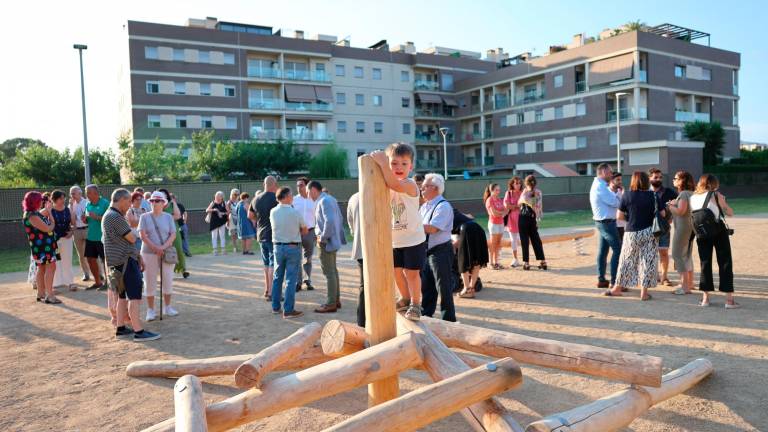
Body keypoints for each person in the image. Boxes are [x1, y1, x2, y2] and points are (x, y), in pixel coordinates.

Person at [371, 143, 425, 321]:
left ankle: (416, 304)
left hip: (413, 239)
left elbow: (393, 183)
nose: (398, 167)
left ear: (411, 166)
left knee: (411, 273)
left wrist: (383, 164)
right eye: (394, 163)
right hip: (395, 240)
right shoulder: (386, 185)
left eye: (404, 163)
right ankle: (405, 298)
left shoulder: (409, 184)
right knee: (395, 272)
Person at [102, 188, 160, 341]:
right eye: (128, 201)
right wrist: (134, 232)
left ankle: (121, 328)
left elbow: (127, 240)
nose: (130, 205)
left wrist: (138, 255)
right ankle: (138, 331)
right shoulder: (115, 216)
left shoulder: (110, 215)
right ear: (121, 200)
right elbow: (132, 238)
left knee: (122, 297)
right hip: (125, 262)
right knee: (134, 297)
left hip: (119, 262)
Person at [605, 171, 663, 300]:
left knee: (626, 260)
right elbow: (663, 214)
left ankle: (616, 289)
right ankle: (644, 293)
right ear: (646, 181)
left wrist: (631, 218)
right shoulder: (653, 195)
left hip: (631, 232)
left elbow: (619, 216)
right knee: (648, 262)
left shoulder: (627, 195)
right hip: (650, 232)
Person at [689, 174, 738, 308]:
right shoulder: (715, 195)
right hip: (718, 231)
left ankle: (705, 299)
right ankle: (729, 300)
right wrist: (723, 202)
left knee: (705, 263)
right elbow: (729, 213)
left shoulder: (692, 197)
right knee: (725, 262)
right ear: (714, 183)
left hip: (701, 233)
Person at [419, 173, 456, 322]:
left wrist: (412, 226)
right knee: (427, 288)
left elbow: (432, 228)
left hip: (441, 252)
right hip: (427, 252)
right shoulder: (425, 206)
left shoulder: (443, 206)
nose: (421, 189)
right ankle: (426, 317)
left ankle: (449, 320)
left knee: (444, 288)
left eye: (424, 186)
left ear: (435, 188)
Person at [139, 191, 178, 321]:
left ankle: (167, 307)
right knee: (149, 281)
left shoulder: (168, 217)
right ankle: (150, 310)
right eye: (152, 201)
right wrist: (156, 248)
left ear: (163, 203)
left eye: (157, 201)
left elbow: (173, 234)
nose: (154, 203)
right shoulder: (144, 217)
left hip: (166, 253)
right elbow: (142, 235)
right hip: (148, 253)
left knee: (167, 279)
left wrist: (162, 247)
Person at [269, 187, 308, 318]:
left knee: (277, 277)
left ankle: (275, 307)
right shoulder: (295, 212)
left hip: (277, 247)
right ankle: (288, 309)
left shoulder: (273, 211)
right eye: (291, 195)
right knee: (291, 279)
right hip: (292, 247)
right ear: (285, 197)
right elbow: (305, 230)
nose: (292, 197)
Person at [310, 180, 347, 313]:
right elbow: (340, 218)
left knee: (329, 272)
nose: (309, 195)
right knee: (333, 271)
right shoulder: (330, 199)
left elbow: (330, 221)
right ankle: (335, 300)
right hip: (333, 240)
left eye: (309, 192)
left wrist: (323, 237)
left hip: (326, 242)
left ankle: (331, 303)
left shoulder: (323, 201)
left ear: (313, 190)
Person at [23, 191, 61, 304]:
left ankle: (41, 293)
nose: (41, 202)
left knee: (42, 268)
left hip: (42, 247)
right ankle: (49, 295)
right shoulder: (32, 215)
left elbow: (43, 213)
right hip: (44, 248)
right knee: (51, 267)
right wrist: (51, 218)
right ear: (34, 202)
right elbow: (48, 228)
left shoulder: (33, 213)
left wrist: (48, 209)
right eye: (39, 200)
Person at [590, 163, 621, 288]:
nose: (612, 174)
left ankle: (602, 279)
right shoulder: (601, 186)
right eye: (610, 172)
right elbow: (615, 202)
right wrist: (619, 195)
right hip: (607, 223)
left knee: (603, 251)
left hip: (604, 222)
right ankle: (614, 282)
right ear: (602, 172)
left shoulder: (600, 185)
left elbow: (613, 201)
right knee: (618, 250)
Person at [666, 171, 696, 295]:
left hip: (683, 228)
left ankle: (685, 286)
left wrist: (670, 205)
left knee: (677, 254)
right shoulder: (692, 193)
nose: (673, 180)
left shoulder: (683, 194)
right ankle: (689, 283)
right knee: (686, 255)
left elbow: (681, 211)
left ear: (682, 181)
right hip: (690, 227)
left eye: (676, 178)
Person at [251, 176, 279, 300]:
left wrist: (259, 221)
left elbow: (250, 215)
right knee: (273, 264)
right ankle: (272, 292)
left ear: (264, 184)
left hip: (261, 234)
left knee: (266, 264)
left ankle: (267, 290)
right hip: (273, 235)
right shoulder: (277, 198)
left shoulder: (256, 199)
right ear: (274, 185)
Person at [649, 168, 678, 286]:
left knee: (664, 253)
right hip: (648, 228)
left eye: (660, 177)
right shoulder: (645, 192)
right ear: (649, 178)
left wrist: (671, 216)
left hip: (664, 228)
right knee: (650, 253)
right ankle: (652, 276)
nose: (658, 179)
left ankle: (664, 277)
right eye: (655, 177)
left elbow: (678, 203)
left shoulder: (669, 192)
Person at [452, 208, 488, 298]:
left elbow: (455, 242)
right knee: (476, 261)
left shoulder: (442, 214)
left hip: (466, 230)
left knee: (463, 261)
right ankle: (471, 288)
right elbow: (470, 216)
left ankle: (466, 289)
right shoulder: (456, 212)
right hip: (478, 229)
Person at [518, 175, 547, 270]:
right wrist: (537, 219)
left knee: (524, 241)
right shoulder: (539, 192)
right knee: (536, 240)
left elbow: (519, 203)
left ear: (526, 183)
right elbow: (539, 207)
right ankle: (542, 261)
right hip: (532, 218)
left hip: (523, 218)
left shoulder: (525, 192)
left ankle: (526, 263)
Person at [84, 185, 109, 290]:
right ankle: (98, 282)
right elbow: (87, 219)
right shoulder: (87, 204)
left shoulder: (105, 203)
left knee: (105, 261)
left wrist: (98, 217)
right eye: (86, 192)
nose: (87, 195)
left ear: (95, 193)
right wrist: (85, 219)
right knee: (90, 259)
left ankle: (108, 283)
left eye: (88, 192)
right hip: (90, 237)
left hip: (102, 237)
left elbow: (110, 218)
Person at [293, 177, 316, 291]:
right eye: (297, 185)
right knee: (297, 258)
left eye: (301, 185)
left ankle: (308, 280)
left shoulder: (313, 200)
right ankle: (298, 282)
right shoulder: (293, 200)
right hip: (297, 232)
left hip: (310, 232)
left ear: (307, 186)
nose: (298, 187)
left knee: (308, 258)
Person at [160, 189, 189, 279]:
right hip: (161, 230)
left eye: (165, 194)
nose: (163, 196)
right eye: (161, 195)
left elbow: (178, 216)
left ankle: (183, 269)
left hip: (173, 228)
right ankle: (167, 271)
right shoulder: (156, 203)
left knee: (178, 249)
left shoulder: (172, 203)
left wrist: (164, 216)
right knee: (164, 251)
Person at [51, 190, 76, 291]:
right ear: (54, 199)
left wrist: (71, 232)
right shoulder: (49, 211)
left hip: (67, 239)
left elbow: (74, 224)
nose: (63, 200)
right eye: (61, 198)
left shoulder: (68, 210)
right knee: (56, 260)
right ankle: (56, 282)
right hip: (55, 240)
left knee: (67, 259)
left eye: (63, 198)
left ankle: (70, 282)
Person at [347, 191, 365, 327]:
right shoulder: (383, 193)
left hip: (360, 248)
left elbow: (351, 224)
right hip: (381, 249)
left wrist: (357, 235)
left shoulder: (353, 197)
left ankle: (361, 322)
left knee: (363, 287)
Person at [69, 186, 92, 281]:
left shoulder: (87, 202)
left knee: (91, 253)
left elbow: (89, 217)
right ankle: (86, 274)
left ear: (80, 193)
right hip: (77, 231)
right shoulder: (71, 205)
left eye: (74, 193)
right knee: (81, 255)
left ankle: (99, 274)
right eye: (71, 193)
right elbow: (71, 221)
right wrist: (70, 206)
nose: (72, 195)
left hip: (87, 229)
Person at [484, 183, 508, 269]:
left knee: (498, 243)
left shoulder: (499, 199)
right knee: (493, 244)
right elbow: (494, 214)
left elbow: (506, 210)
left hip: (501, 223)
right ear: (492, 190)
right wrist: (501, 213)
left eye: (499, 190)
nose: (498, 192)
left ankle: (496, 262)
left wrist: (500, 213)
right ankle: (490, 263)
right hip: (493, 224)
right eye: (496, 190)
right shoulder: (489, 200)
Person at [503, 176, 523, 267]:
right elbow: (506, 205)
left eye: (519, 183)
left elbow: (527, 204)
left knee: (524, 239)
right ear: (512, 184)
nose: (518, 185)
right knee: (513, 240)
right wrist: (517, 206)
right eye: (516, 183)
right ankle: (515, 259)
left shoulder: (523, 192)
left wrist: (514, 205)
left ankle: (526, 259)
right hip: (512, 219)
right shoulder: (509, 193)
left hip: (523, 218)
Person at [206, 191, 229, 256]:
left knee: (222, 236)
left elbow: (228, 212)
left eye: (219, 196)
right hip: (214, 222)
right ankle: (215, 250)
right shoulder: (213, 202)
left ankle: (223, 250)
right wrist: (214, 210)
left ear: (222, 197)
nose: (218, 198)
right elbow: (207, 210)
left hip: (222, 222)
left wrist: (222, 213)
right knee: (214, 236)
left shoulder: (224, 203)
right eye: (216, 196)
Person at [612, 173, 626, 240]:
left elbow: (625, 207)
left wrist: (624, 195)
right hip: (611, 224)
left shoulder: (622, 192)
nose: (620, 182)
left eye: (621, 180)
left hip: (621, 224)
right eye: (618, 180)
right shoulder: (607, 193)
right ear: (611, 181)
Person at [226, 188, 240, 253]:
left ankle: (237, 246)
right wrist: (227, 222)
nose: (237, 195)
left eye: (238, 194)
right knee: (233, 233)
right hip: (231, 219)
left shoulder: (239, 201)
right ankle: (235, 247)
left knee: (237, 233)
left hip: (238, 219)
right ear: (232, 194)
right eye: (235, 194)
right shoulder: (229, 202)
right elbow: (227, 212)